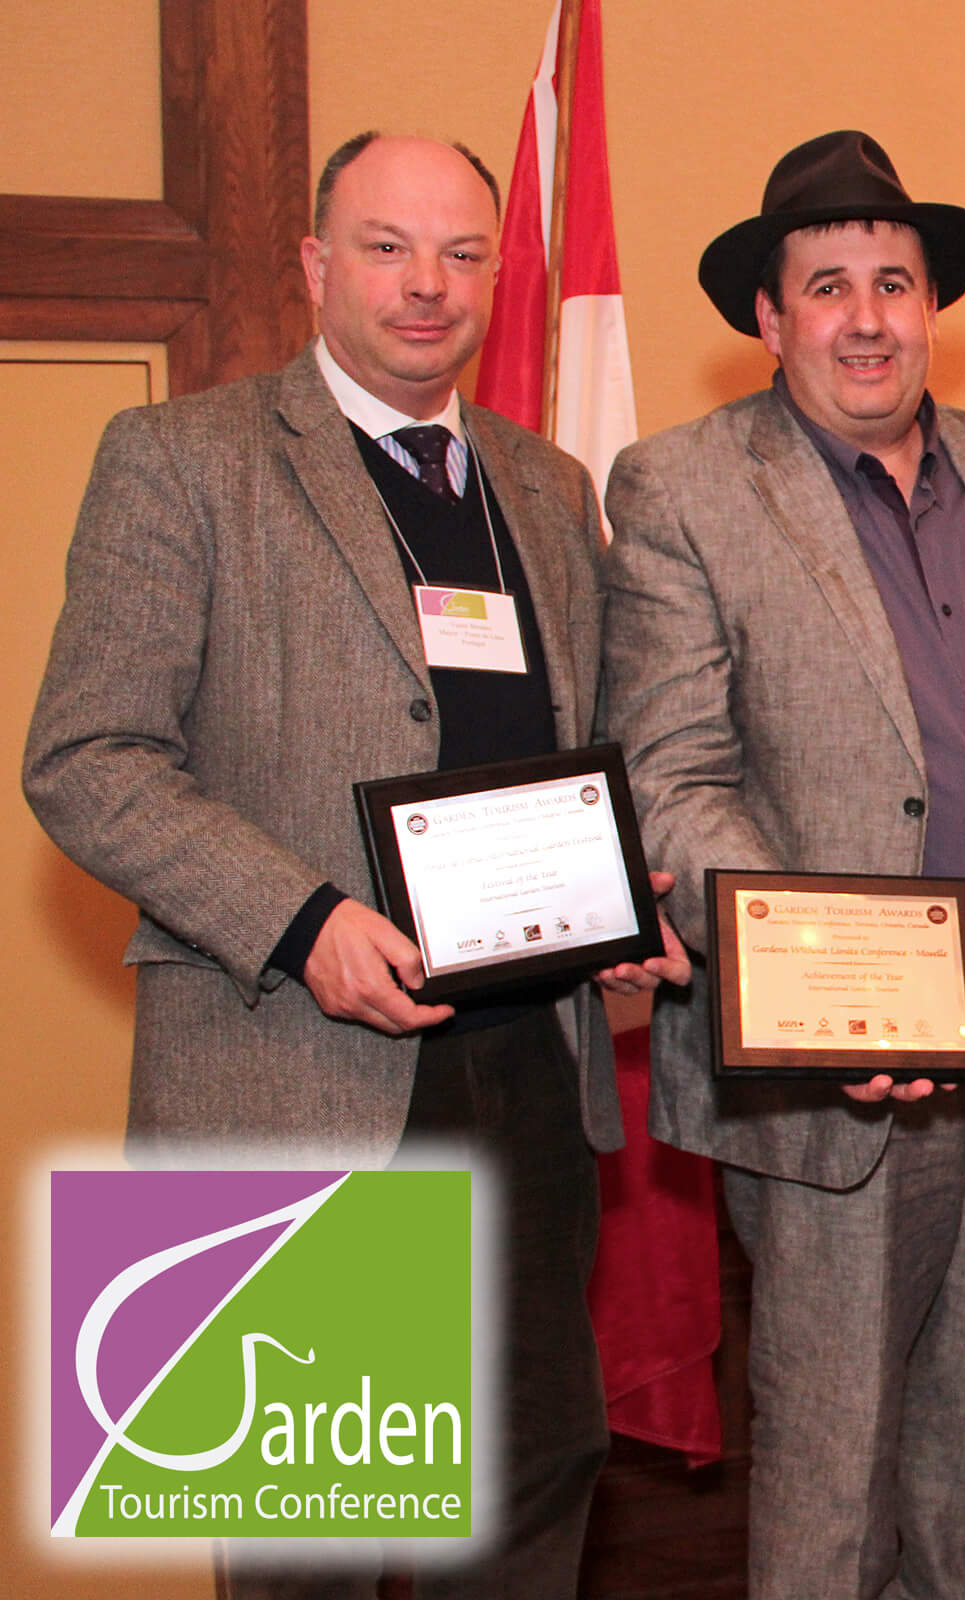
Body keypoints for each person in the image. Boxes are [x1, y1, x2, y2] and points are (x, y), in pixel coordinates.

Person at [22, 131, 686, 1598]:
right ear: (318, 265)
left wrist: (623, 908)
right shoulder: (179, 459)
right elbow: (87, 757)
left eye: (460, 252)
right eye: (387, 247)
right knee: (308, 1540)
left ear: (494, 276)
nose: (426, 285)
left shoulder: (547, 482)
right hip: (290, 1073)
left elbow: (589, 750)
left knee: (522, 1504)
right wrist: (301, 916)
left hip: (525, 1074)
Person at [599, 131, 965, 1600]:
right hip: (837, 1056)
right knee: (833, 1458)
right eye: (827, 287)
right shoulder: (682, 489)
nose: (866, 316)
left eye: (893, 282)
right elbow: (676, 780)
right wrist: (823, 1002)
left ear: (934, 306)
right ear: (769, 315)